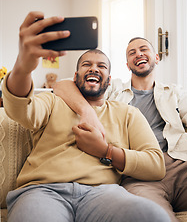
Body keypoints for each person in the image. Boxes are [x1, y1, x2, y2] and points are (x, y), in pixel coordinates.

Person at [2, 12, 171, 222]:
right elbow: (19, 109)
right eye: (86, 65)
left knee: (153, 216)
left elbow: (156, 165)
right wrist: (23, 67)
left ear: (109, 81)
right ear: (75, 77)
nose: (94, 68)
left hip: (104, 194)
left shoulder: (127, 113)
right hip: (42, 191)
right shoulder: (53, 102)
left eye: (102, 66)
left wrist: (107, 151)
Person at [53, 37, 187, 222]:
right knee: (151, 215)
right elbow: (62, 85)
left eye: (143, 49)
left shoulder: (173, 92)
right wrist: (86, 112)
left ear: (156, 57)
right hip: (136, 172)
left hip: (181, 162)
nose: (138, 54)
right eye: (132, 52)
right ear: (127, 64)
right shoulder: (112, 87)